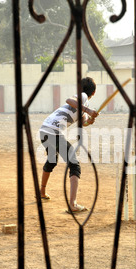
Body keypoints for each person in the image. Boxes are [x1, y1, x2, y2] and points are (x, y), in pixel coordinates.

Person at [38, 77, 99, 213]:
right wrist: (88, 111)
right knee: (74, 165)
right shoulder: (83, 97)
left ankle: (41, 192)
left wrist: (90, 119)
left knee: (52, 160)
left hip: (44, 130)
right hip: (53, 132)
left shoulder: (82, 106)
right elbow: (69, 100)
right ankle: (73, 204)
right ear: (93, 92)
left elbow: (83, 122)